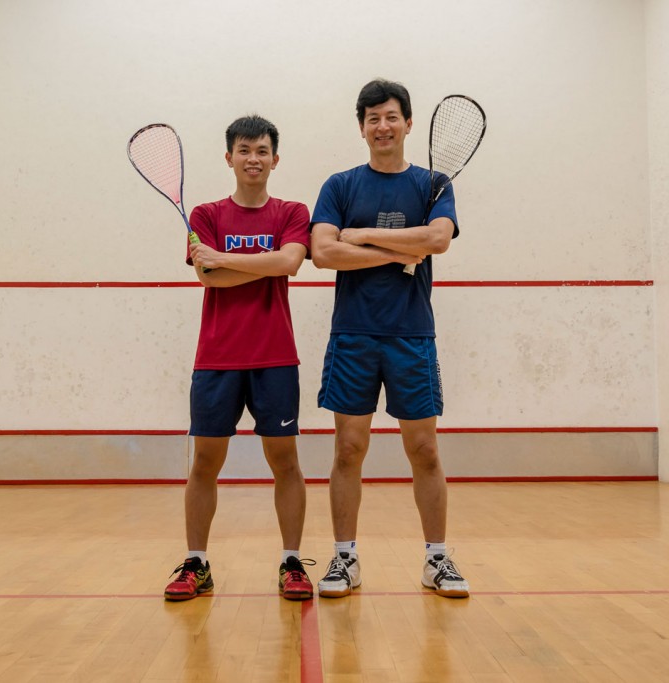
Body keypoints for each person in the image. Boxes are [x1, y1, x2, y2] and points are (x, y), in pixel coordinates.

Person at [309, 79, 470, 599]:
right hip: (353, 335)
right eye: (373, 117)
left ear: (408, 123)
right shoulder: (340, 185)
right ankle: (344, 558)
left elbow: (438, 238)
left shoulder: (434, 184)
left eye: (391, 116)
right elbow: (325, 252)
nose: (383, 125)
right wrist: (398, 251)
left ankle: (436, 559)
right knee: (348, 449)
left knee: (424, 449)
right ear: (362, 127)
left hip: (411, 335)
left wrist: (362, 235)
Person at [163, 115, 314, 601]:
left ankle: (292, 563)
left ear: (275, 159)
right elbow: (208, 278)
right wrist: (255, 265)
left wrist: (224, 259)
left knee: (285, 460)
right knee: (205, 462)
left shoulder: (292, 211)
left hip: (275, 356)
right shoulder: (205, 215)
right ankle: (196, 563)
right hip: (217, 358)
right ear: (229, 157)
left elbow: (289, 262)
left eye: (263, 150)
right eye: (244, 149)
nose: (254, 158)